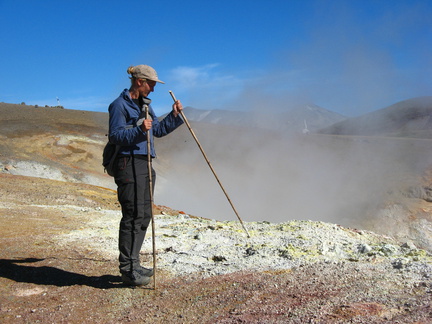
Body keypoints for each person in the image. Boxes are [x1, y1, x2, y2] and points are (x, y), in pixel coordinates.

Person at [108, 64, 184, 286]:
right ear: (139, 81)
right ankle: (128, 269)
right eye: (150, 84)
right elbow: (115, 136)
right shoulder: (119, 105)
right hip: (128, 163)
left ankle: (134, 263)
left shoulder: (146, 107)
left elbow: (158, 131)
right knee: (132, 215)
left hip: (144, 163)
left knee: (144, 215)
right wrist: (139, 130)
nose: (152, 88)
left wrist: (174, 115)